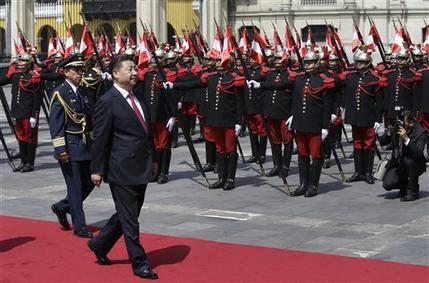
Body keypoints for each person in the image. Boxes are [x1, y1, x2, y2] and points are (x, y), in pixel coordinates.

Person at [88, 55, 158, 279]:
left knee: (126, 215)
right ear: (116, 74)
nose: (135, 72)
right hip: (121, 169)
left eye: (136, 68)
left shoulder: (138, 97)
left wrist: (154, 159)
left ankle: (99, 244)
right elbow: (101, 138)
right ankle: (139, 263)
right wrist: (97, 169)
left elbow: (147, 133)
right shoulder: (107, 101)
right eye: (130, 68)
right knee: (130, 221)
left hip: (142, 166)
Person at [49, 54, 95, 237]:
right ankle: (80, 226)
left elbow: (88, 120)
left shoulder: (82, 91)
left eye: (81, 70)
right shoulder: (60, 93)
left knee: (91, 181)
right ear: (67, 72)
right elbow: (56, 125)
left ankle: (62, 207)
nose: (80, 73)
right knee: (75, 187)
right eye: (76, 70)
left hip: (85, 145)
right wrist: (61, 150)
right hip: (70, 146)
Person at [380, 111, 427, 201]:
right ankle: (404, 185)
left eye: (404, 124)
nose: (401, 127)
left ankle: (413, 191)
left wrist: (406, 139)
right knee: (387, 184)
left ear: (411, 123)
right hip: (398, 163)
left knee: (408, 161)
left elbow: (418, 153)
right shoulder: (397, 128)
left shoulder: (420, 132)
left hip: (415, 164)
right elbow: (382, 142)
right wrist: (389, 132)